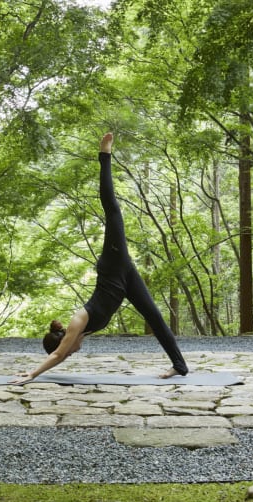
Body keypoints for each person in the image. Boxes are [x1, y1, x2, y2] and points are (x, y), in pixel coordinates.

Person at [12, 133, 189, 384]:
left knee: (112, 211)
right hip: (124, 278)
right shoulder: (79, 333)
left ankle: (104, 155)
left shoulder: (77, 323)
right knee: (155, 317)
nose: (72, 353)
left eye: (68, 347)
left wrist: (32, 373)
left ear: (66, 340)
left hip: (113, 267)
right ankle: (180, 366)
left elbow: (59, 354)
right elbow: (62, 353)